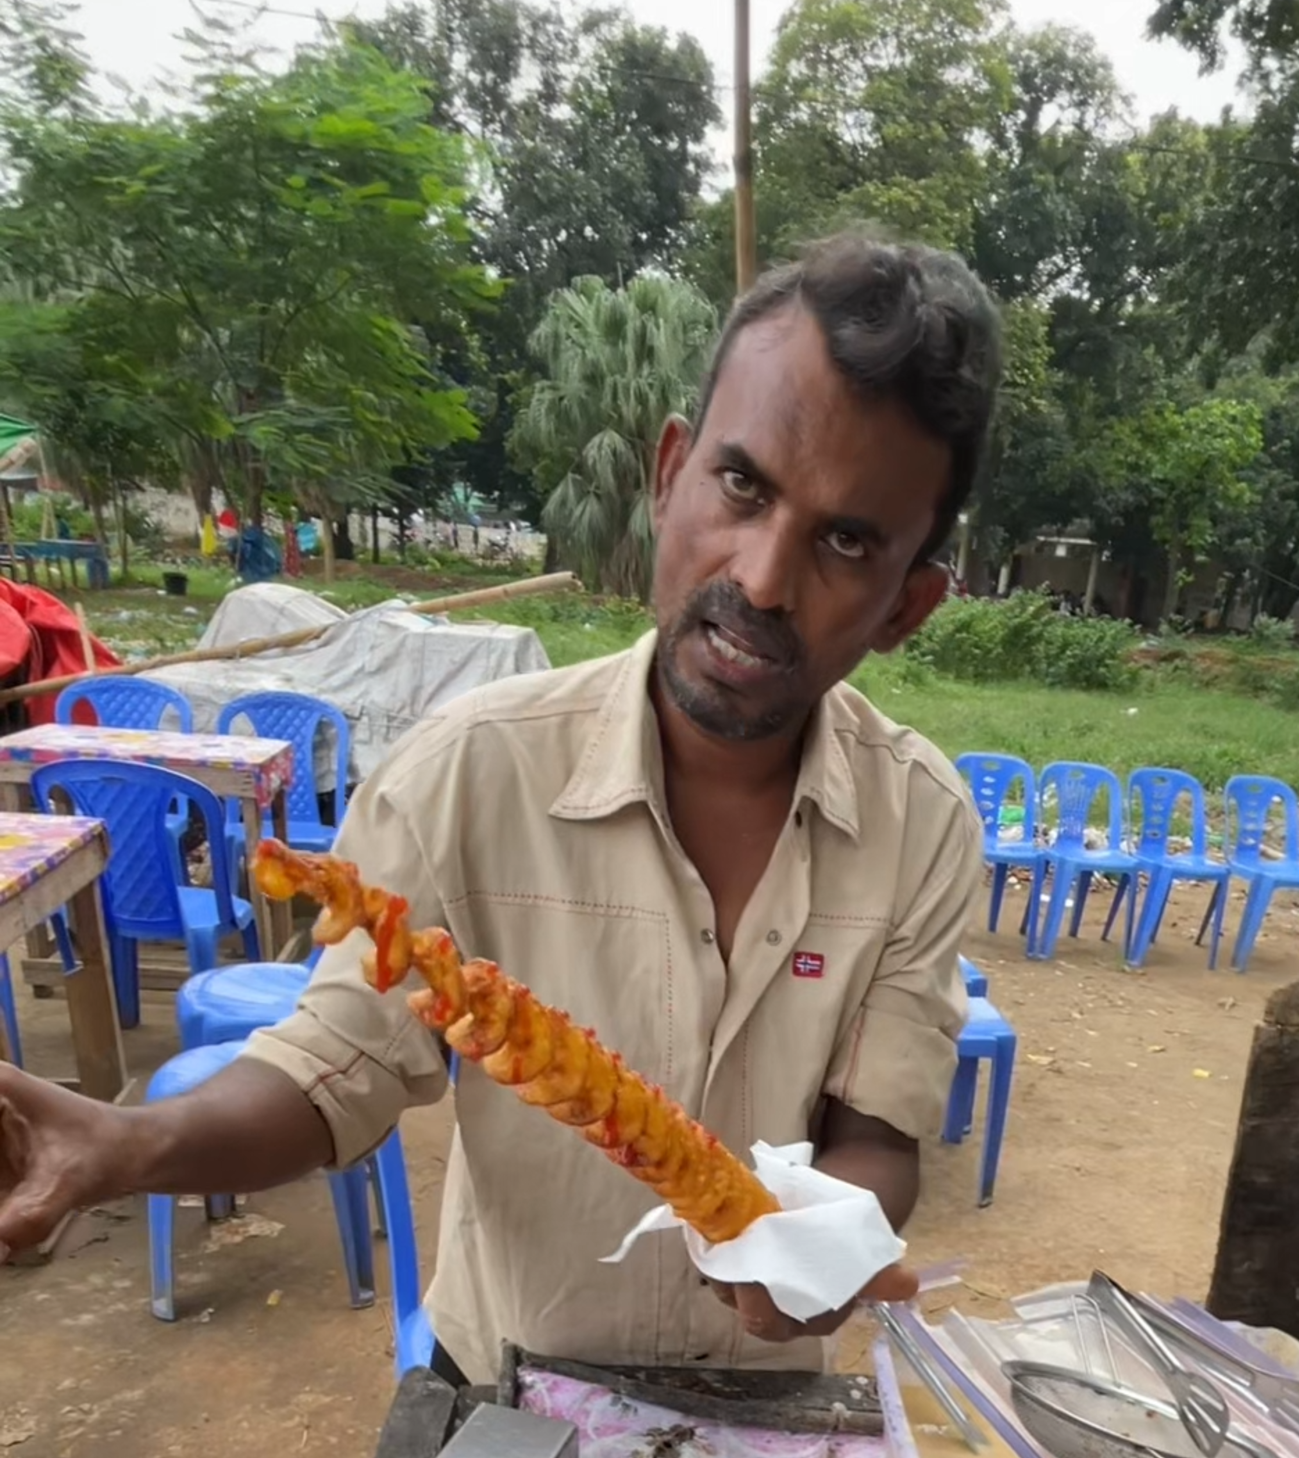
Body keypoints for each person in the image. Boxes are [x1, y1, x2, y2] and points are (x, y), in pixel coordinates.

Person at [0, 232, 998, 1384]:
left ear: (908, 604)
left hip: (763, 1416)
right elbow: (336, 1064)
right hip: (506, 1396)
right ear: (669, 472)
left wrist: (825, 1246)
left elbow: (878, 1134)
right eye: (743, 484)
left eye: (845, 539)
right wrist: (124, 1141)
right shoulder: (464, 772)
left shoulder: (921, 822)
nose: (764, 577)